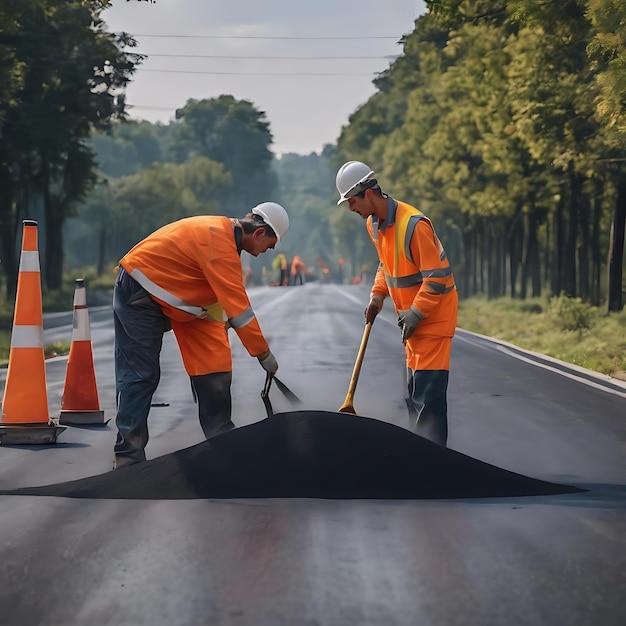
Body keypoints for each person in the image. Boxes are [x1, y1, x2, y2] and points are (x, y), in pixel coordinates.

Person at [112, 202, 289, 469]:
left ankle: (223, 441)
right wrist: (264, 354)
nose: (267, 252)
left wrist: (222, 319)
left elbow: (217, 294)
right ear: (260, 233)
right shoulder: (218, 243)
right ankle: (128, 455)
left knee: (215, 362)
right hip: (140, 288)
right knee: (141, 374)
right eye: (270, 246)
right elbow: (240, 310)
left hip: (182, 299)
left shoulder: (226, 240)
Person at [336, 161, 458, 446]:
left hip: (432, 319)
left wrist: (415, 314)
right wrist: (377, 295)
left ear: (368, 193)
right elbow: (386, 264)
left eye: (352, 201)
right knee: (414, 395)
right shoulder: (374, 225)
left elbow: (436, 280)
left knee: (428, 397)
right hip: (411, 323)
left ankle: (436, 468)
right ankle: (421, 460)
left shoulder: (414, 225)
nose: (351, 208)